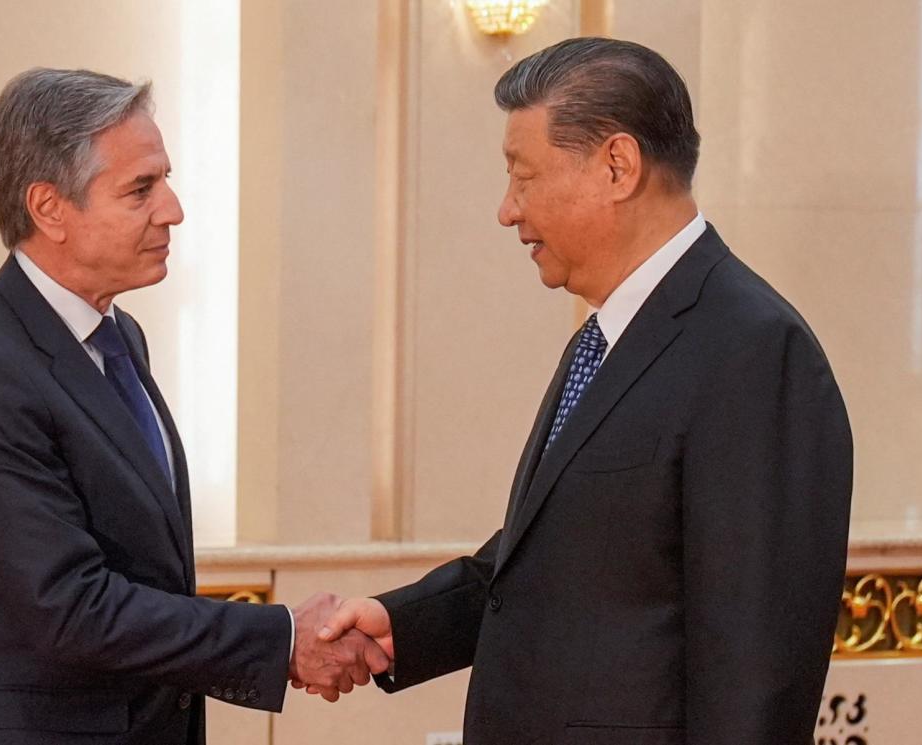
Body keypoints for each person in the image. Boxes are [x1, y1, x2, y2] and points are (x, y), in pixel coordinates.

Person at [317, 38, 853, 745]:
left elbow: (755, 666)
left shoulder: (754, 350)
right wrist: (403, 622)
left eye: (523, 176)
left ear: (617, 166)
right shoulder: (604, 338)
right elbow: (551, 558)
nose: (508, 211)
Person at [0, 68, 386, 745]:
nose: (173, 209)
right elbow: (70, 606)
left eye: (164, 180)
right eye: (141, 189)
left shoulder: (119, 335)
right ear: (49, 209)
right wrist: (281, 639)